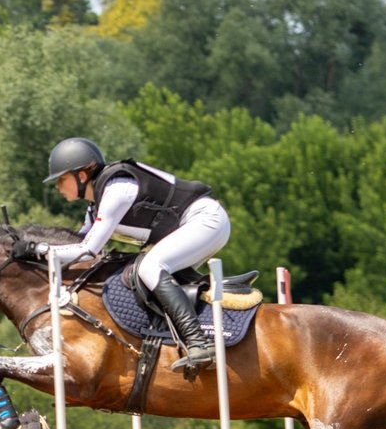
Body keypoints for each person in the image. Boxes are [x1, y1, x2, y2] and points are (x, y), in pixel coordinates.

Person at [15, 137, 231, 371]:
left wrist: (39, 250)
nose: (58, 186)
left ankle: (198, 342)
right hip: (196, 224)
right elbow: (77, 244)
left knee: (151, 267)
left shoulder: (117, 189)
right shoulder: (96, 205)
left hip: (206, 220)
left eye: (61, 179)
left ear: (82, 174)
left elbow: (87, 251)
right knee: (144, 273)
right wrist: (36, 254)